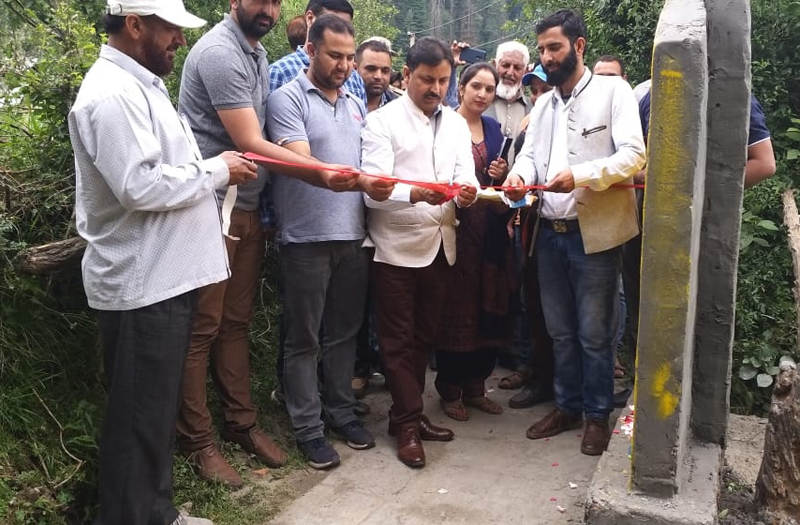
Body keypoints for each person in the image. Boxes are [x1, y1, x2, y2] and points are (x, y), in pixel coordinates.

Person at [68, 1, 260, 523]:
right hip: (140, 283)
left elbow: (164, 170)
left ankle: (156, 512)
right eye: (172, 29)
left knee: (152, 413)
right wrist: (217, 171)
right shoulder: (110, 96)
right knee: (136, 418)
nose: (179, 39)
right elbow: (140, 185)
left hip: (163, 279)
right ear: (135, 25)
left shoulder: (140, 86)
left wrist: (208, 170)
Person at [177, 0, 364, 488]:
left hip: (245, 209)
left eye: (277, 1)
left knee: (234, 323)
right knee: (203, 327)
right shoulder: (220, 52)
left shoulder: (255, 54)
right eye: (259, 0)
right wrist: (319, 171)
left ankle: (242, 425)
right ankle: (199, 442)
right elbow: (250, 140)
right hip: (209, 206)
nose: (269, 8)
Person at [503, 9, 646, 456]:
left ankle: (597, 415)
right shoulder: (544, 103)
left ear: (578, 46)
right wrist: (518, 178)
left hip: (596, 234)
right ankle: (566, 406)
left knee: (595, 333)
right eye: (542, 49)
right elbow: (531, 157)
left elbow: (633, 156)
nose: (546, 57)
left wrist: (581, 175)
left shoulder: (613, 91)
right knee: (559, 330)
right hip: (549, 230)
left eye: (555, 48)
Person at [266, 14, 395, 469]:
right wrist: (360, 180)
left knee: (344, 334)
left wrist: (374, 185)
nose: (343, 65)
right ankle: (308, 427)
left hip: (353, 237)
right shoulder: (286, 100)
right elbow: (302, 163)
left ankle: (341, 411)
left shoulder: (356, 104)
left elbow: (366, 164)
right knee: (304, 339)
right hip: (305, 238)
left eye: (348, 57)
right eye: (334, 55)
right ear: (311, 50)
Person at [361, 36, 480, 468]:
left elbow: (466, 175)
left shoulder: (454, 124)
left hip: (441, 246)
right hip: (395, 247)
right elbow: (373, 191)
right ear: (406, 75)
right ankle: (409, 424)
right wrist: (417, 194)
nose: (436, 88)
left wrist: (468, 194)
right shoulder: (382, 122)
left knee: (423, 338)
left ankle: (403, 415)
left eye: (443, 81)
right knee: (396, 341)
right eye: (427, 79)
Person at [435, 62, 512, 421]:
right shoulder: (444, 124)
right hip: (457, 229)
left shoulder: (495, 129)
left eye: (489, 89)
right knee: (455, 308)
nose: (482, 94)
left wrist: (502, 174)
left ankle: (477, 387)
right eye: (476, 86)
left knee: (490, 307)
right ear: (461, 88)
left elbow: (506, 183)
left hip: (491, 235)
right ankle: (450, 391)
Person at [484, 41, 531, 165]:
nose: (510, 72)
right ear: (495, 65)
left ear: (525, 71)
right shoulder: (480, 104)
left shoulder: (533, 109)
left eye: (517, 68)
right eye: (505, 65)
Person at [356, 37, 399, 112]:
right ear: (355, 68)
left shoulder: (399, 108)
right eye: (371, 69)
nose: (378, 76)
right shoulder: (339, 102)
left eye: (385, 71)